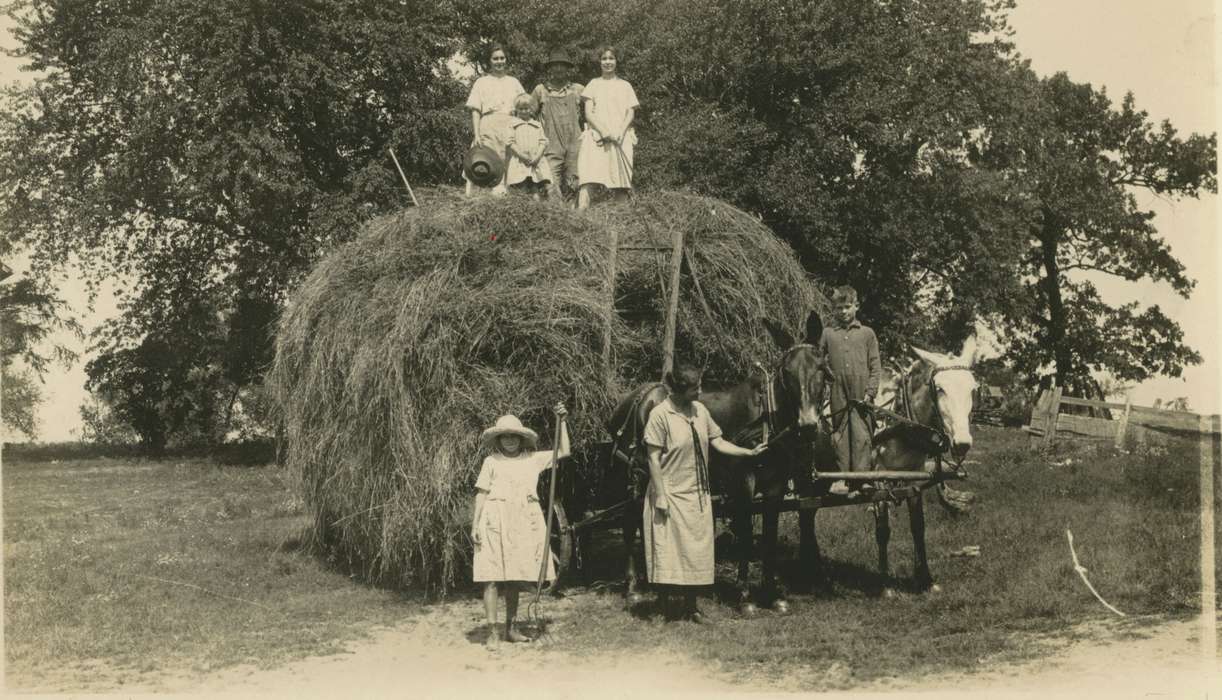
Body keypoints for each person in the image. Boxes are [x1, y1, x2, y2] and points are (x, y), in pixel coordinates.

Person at [643, 364, 766, 623]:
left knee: (695, 552)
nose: (700, 391)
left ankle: (692, 607)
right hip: (670, 492)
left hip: (697, 493)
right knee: (667, 550)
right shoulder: (660, 415)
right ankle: (663, 607)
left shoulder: (700, 411)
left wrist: (748, 452)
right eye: (695, 388)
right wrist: (661, 495)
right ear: (679, 390)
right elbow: (653, 459)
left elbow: (717, 442)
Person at [471, 404, 570, 645]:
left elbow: (564, 451)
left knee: (514, 577)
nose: (510, 441)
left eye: (514, 436)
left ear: (521, 438)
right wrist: (475, 525)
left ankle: (511, 628)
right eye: (505, 436)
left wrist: (563, 421)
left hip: (523, 521)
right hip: (495, 520)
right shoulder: (491, 462)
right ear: (499, 439)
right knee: (491, 577)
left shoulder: (532, 460)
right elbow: (481, 493)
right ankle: (493, 632)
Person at [818, 286, 882, 495]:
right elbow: (817, 360)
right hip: (837, 389)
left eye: (847, 307)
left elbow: (875, 365)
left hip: (861, 390)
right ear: (834, 310)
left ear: (856, 306)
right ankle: (842, 479)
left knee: (862, 432)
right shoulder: (827, 334)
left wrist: (870, 392)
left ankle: (863, 479)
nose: (843, 312)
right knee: (840, 431)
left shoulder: (867, 333)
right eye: (839, 308)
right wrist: (825, 382)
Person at [576, 46, 638, 210]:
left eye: (611, 58)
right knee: (589, 178)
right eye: (604, 58)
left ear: (616, 61)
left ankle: (621, 222)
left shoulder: (625, 86)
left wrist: (619, 132)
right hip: (597, 138)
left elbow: (630, 114)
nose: (608, 62)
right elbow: (588, 113)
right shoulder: (593, 84)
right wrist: (604, 131)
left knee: (620, 182)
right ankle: (580, 218)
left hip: (620, 137)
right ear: (599, 62)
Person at [464, 44, 526, 196]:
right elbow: (475, 111)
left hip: (510, 126)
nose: (499, 61)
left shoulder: (514, 82)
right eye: (495, 58)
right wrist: (477, 134)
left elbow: (524, 107)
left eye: (502, 58)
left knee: (508, 164)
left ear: (506, 60)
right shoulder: (482, 82)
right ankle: (480, 201)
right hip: (488, 127)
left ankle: (505, 202)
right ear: (489, 61)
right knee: (485, 164)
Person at [530, 50, 585, 202]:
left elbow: (596, 111)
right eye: (555, 66)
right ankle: (557, 216)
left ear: (568, 69)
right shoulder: (540, 90)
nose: (559, 69)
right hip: (550, 145)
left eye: (562, 66)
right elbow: (527, 116)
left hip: (575, 143)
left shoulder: (578, 89)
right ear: (550, 69)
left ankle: (575, 217)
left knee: (575, 182)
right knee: (550, 184)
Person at [504, 94, 555, 199]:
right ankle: (522, 207)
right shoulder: (513, 124)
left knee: (535, 186)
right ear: (516, 109)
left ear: (531, 109)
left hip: (535, 160)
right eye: (521, 109)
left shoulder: (537, 124)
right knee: (521, 185)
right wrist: (522, 156)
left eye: (526, 108)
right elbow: (510, 143)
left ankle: (537, 206)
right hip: (520, 160)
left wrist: (538, 156)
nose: (524, 111)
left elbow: (543, 141)